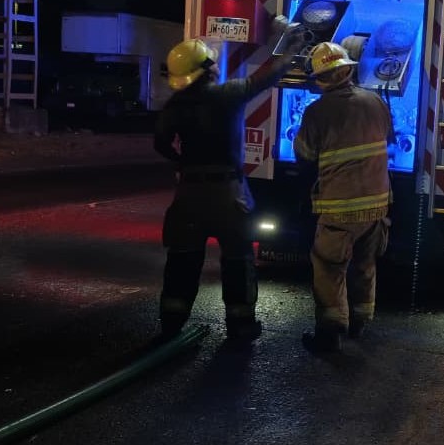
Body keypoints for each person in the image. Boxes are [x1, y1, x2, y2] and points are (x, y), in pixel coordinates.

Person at [153, 32, 303, 343]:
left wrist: (182, 163)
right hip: (228, 193)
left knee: (182, 259)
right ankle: (241, 326)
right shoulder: (230, 94)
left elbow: (161, 144)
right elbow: (267, 76)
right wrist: (291, 47)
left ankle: (171, 323)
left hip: (189, 195)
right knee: (238, 260)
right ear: (207, 68)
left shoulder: (174, 106)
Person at [294, 41, 392, 354]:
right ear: (348, 69)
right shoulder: (375, 101)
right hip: (377, 204)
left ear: (320, 78)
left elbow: (304, 154)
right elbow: (389, 136)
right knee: (365, 265)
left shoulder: (316, 111)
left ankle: (330, 333)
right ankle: (361, 322)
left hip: (338, 208)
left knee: (328, 269)